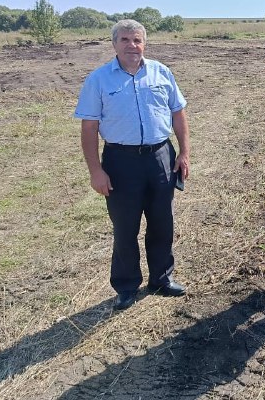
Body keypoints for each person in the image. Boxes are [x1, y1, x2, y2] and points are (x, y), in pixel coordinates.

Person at [74, 19, 190, 310]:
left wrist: (184, 153)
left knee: (163, 221)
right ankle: (126, 286)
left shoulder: (162, 72)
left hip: (160, 157)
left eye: (137, 40)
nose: (131, 45)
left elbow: (178, 113)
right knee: (125, 227)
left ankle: (162, 278)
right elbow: (89, 129)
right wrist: (95, 171)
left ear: (144, 44)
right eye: (125, 40)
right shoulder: (99, 80)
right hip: (120, 162)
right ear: (114, 44)